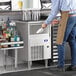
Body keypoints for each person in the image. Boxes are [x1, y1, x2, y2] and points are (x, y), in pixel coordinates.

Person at [41, 0, 76, 71]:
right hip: (74, 16)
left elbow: (54, 11)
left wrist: (46, 22)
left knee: (60, 42)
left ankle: (60, 66)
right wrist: (60, 18)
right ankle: (74, 65)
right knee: (72, 41)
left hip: (67, 16)